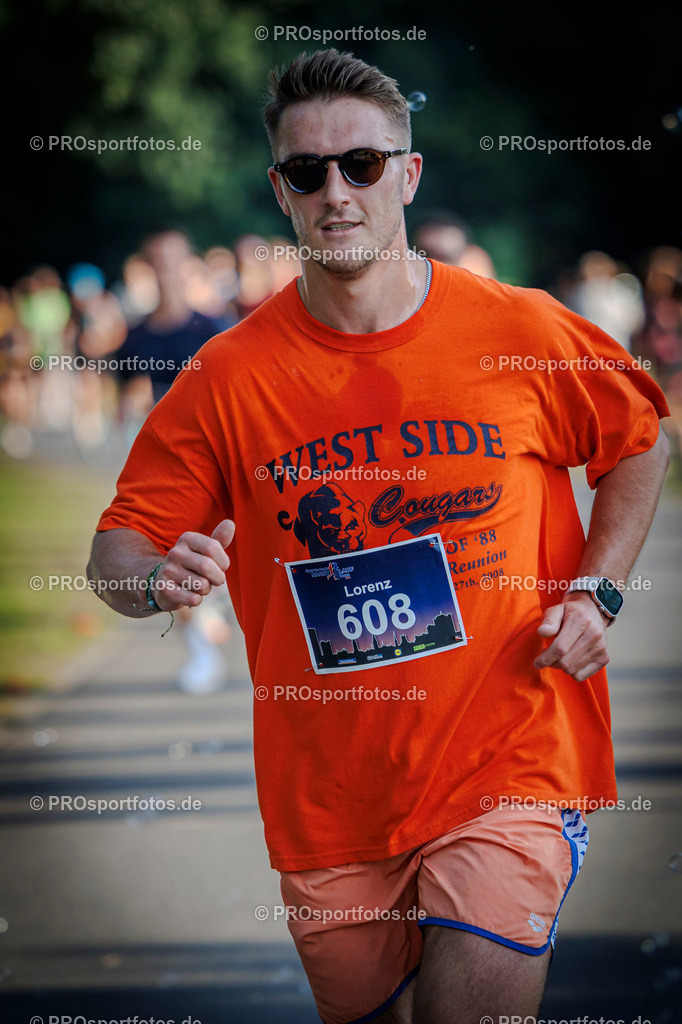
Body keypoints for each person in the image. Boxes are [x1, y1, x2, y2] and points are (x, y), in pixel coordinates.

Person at [87, 49, 670, 1024]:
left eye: (362, 164)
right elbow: (117, 548)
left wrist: (594, 589)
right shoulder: (228, 378)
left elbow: (640, 441)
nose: (337, 192)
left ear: (408, 173)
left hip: (509, 761)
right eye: (308, 172)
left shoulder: (517, 328)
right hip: (330, 804)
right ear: (281, 191)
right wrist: (155, 582)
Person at [115, 228, 238, 694]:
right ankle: (202, 651)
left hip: (218, 459)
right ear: (147, 268)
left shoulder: (213, 327)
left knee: (222, 551)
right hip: (170, 466)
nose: (166, 272)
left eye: (174, 261)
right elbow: (127, 395)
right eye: (157, 262)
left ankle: (215, 612)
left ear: (187, 266)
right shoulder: (138, 334)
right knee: (174, 554)